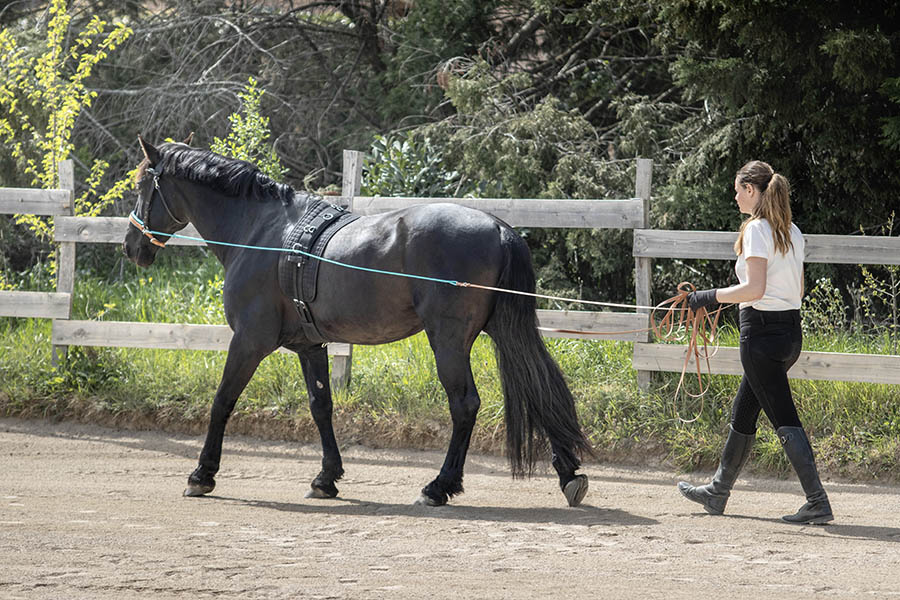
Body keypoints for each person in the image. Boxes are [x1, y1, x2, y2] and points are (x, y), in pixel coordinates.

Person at [677, 160, 833, 525]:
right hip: (788, 333)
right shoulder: (792, 232)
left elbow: (754, 289)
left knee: (783, 417)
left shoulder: (756, 230)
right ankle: (717, 492)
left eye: (738, 190)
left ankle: (817, 501)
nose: (735, 197)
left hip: (760, 335)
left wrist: (708, 297)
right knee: (744, 411)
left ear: (751, 190)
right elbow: (797, 289)